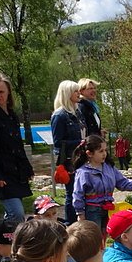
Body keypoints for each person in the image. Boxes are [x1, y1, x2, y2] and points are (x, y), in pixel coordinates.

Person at [0, 73, 34, 221]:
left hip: (15, 173)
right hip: (1, 173)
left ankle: (2, 240)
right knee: (16, 213)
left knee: (14, 213)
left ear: (8, 92)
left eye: (1, 91)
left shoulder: (12, 116)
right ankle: (6, 241)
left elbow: (18, 146)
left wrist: (27, 168)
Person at [71, 135, 132, 235]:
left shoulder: (109, 167)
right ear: (89, 153)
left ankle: (102, 250)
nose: (104, 154)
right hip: (92, 211)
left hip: (108, 209)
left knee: (105, 235)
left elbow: (121, 182)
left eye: (105, 150)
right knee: (94, 237)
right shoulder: (83, 172)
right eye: (101, 151)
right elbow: (78, 194)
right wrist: (80, 213)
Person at [50, 80, 83, 224]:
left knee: (80, 190)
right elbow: (58, 142)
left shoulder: (76, 112)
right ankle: (70, 222)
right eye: (75, 91)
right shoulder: (59, 115)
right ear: (67, 93)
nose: (78, 94)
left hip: (79, 157)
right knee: (72, 192)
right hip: (68, 160)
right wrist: (80, 142)